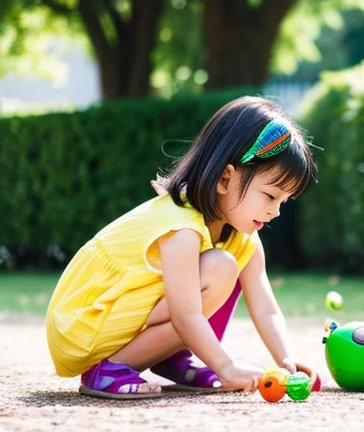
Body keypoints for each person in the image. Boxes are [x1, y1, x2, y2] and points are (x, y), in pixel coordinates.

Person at [46, 96, 318, 399]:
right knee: (221, 268)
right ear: (225, 178)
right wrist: (225, 367)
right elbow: (185, 316)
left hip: (123, 316)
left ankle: (169, 359)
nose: (276, 211)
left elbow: (266, 309)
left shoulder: (243, 239)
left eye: (283, 201)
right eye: (269, 196)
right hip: (86, 323)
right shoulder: (182, 227)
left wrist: (286, 359)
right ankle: (112, 367)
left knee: (229, 264)